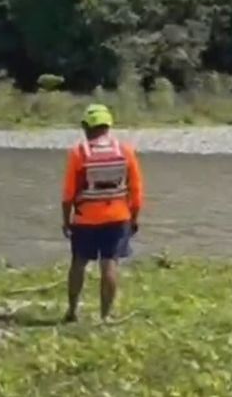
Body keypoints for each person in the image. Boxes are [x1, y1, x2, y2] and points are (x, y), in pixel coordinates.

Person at [61, 104, 144, 323]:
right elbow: (136, 190)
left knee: (78, 262)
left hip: (85, 218)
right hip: (118, 218)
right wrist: (134, 218)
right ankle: (105, 316)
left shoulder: (78, 153)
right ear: (108, 125)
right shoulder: (126, 151)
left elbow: (69, 192)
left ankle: (72, 311)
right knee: (110, 263)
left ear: (86, 126)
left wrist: (66, 220)